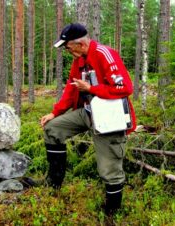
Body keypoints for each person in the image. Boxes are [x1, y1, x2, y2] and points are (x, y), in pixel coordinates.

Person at [40, 23, 136, 216]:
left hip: (109, 117)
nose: (67, 51)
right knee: (52, 128)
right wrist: (55, 112)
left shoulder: (104, 54)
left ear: (80, 44)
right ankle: (54, 183)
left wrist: (91, 89)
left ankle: (112, 212)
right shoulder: (79, 60)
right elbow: (71, 87)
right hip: (87, 112)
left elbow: (125, 88)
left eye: (67, 47)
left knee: (108, 169)